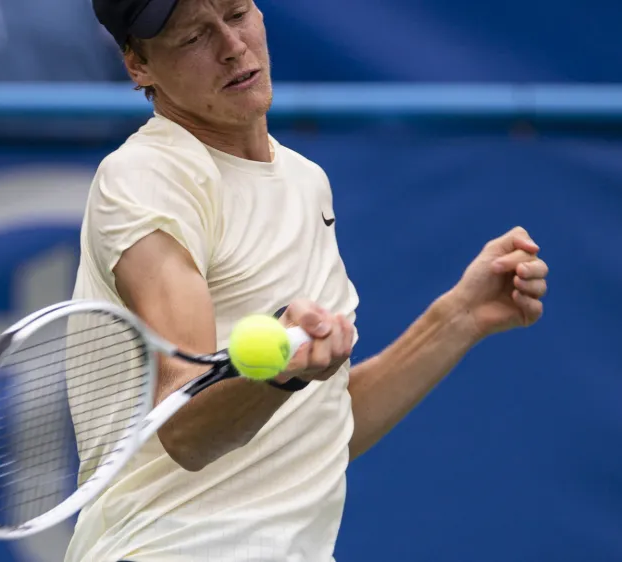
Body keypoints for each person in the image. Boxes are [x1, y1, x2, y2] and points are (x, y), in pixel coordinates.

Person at [69, 0, 550, 560]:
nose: (232, 46)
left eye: (237, 12)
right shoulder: (149, 177)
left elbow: (317, 434)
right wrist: (279, 371)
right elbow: (186, 426)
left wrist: (458, 318)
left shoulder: (304, 182)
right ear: (138, 66)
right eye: (194, 37)